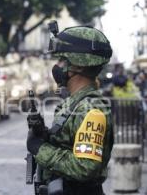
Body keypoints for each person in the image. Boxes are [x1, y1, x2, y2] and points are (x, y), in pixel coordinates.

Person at [27, 25, 113, 195]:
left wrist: (40, 148)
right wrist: (44, 135)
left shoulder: (91, 111)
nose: (58, 67)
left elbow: (84, 168)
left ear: (79, 66)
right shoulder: (75, 104)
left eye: (63, 61)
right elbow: (69, 145)